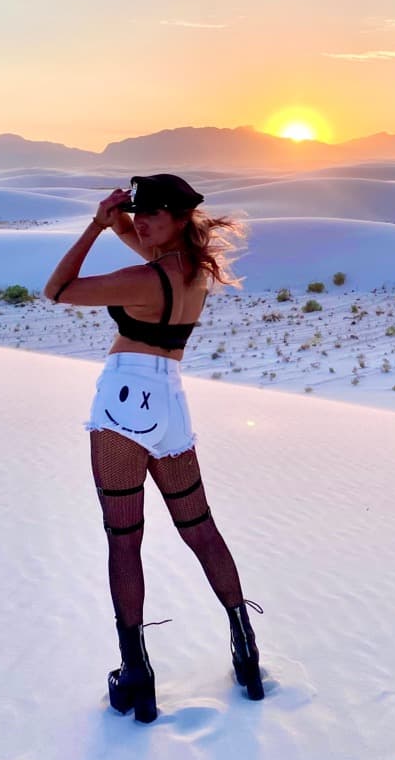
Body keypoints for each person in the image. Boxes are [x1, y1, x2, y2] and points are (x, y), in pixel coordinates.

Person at [43, 173, 263, 722]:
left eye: (154, 214)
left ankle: (136, 673)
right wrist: (120, 219)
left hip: (122, 406)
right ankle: (246, 648)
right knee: (201, 528)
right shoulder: (194, 270)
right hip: (171, 407)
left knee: (124, 540)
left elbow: (57, 290)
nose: (142, 222)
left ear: (178, 218)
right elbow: (146, 244)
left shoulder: (141, 279)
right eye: (139, 212)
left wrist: (96, 225)